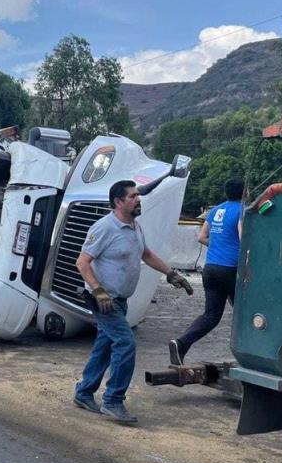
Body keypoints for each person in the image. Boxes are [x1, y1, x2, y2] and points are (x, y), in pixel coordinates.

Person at [73, 180, 193, 423]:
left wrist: (171, 274)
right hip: (103, 299)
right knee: (126, 343)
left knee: (105, 345)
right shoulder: (104, 228)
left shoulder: (135, 226)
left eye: (138, 195)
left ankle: (84, 392)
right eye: (133, 196)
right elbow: (82, 262)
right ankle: (113, 400)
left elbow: (146, 254)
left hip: (120, 299)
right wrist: (98, 290)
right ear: (118, 202)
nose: (138, 199)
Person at [169, 179, 244, 366]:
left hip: (210, 269)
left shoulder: (215, 210)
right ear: (245, 192)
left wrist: (220, 246)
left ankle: (181, 343)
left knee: (211, 315)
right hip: (230, 269)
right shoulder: (242, 211)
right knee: (246, 314)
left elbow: (202, 237)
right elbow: (245, 240)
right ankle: (249, 357)